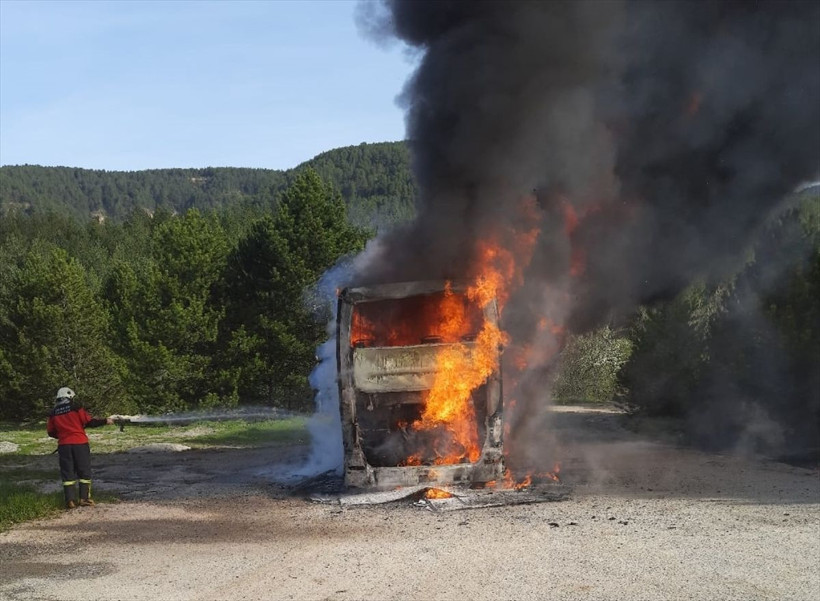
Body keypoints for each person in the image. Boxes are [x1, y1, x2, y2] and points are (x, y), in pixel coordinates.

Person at [46, 387, 114, 509]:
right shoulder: (76, 408)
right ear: (70, 397)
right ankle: (84, 499)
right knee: (84, 470)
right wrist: (105, 421)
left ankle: (70, 501)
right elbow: (89, 422)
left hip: (64, 446)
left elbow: (51, 432)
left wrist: (63, 435)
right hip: (79, 443)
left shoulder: (53, 412)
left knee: (68, 473)